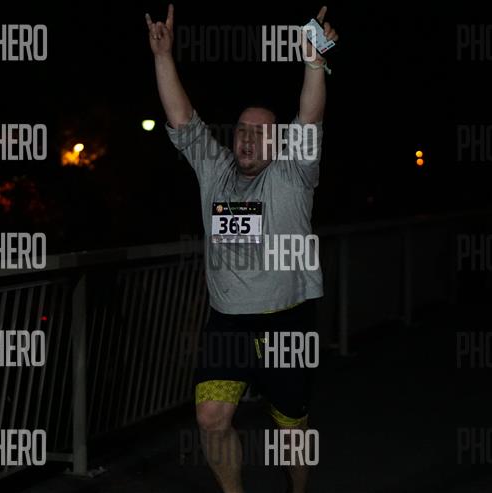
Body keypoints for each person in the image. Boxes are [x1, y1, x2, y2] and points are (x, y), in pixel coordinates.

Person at [145, 5, 338, 493]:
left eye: (260, 131)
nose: (248, 138)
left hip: (286, 320)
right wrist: (163, 56)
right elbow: (182, 118)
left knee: (291, 429)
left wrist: (314, 64)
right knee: (211, 417)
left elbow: (310, 116)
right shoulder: (215, 171)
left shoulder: (293, 174)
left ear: (278, 142)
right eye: (242, 130)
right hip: (228, 320)